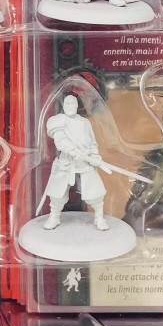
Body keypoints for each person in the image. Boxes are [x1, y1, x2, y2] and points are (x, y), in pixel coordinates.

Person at [40, 94, 110, 230]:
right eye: (68, 103)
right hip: (66, 162)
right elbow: (60, 141)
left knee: (95, 192)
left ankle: (99, 218)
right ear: (64, 105)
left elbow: (92, 141)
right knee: (57, 193)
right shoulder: (58, 121)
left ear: (77, 106)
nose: (70, 106)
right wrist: (73, 151)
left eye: (73, 103)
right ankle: (54, 217)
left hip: (86, 162)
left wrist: (94, 155)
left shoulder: (85, 122)